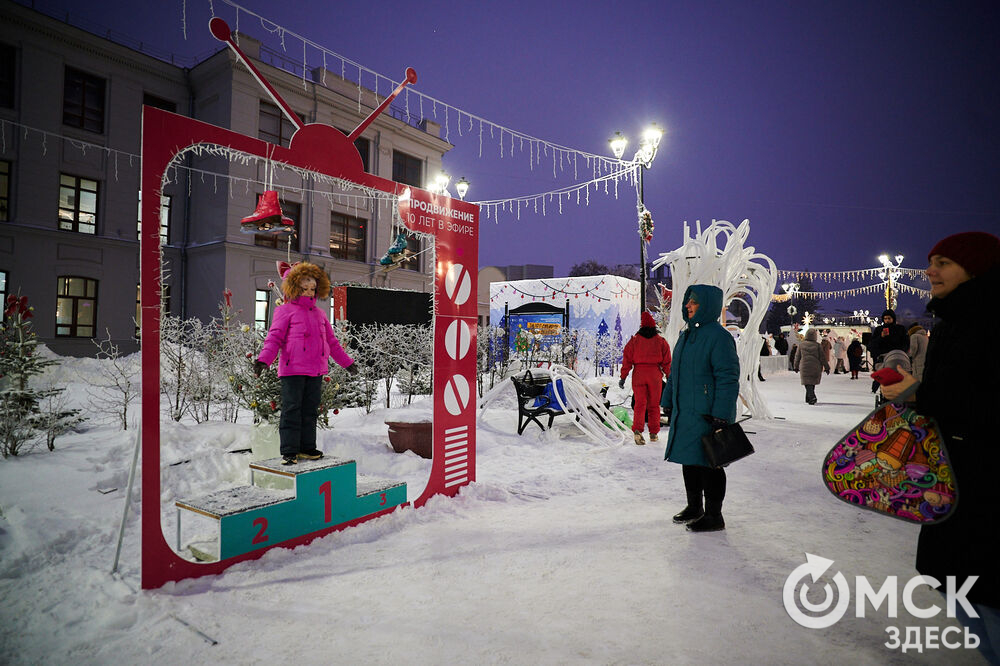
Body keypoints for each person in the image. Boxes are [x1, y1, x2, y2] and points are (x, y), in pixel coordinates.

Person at [881, 231, 1000, 663]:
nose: (930, 270)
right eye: (932, 260)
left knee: (985, 594)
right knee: (959, 589)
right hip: (953, 476)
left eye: (944, 261)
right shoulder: (950, 320)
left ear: (976, 268)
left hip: (987, 485)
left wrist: (922, 394)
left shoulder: (989, 320)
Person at [256, 262, 358, 465]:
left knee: (310, 410)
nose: (309, 293)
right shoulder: (285, 311)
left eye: (312, 288)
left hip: (315, 370)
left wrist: (347, 363)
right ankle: (289, 450)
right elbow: (274, 338)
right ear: (294, 289)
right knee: (292, 409)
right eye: (304, 289)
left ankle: (307, 447)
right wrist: (263, 360)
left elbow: (332, 343)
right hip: (292, 369)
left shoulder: (320, 314)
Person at [660, 285, 740, 532]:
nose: (688, 306)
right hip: (686, 413)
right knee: (690, 460)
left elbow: (728, 378)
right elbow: (675, 374)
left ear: (707, 305)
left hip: (707, 414)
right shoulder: (686, 335)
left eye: (693, 302)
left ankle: (714, 515)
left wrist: (721, 415)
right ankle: (694, 507)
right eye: (688, 301)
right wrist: (668, 401)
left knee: (710, 464)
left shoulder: (718, 337)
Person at [619, 311, 672, 445]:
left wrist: (623, 377)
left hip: (639, 375)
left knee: (640, 404)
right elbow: (667, 362)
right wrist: (669, 376)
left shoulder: (634, 341)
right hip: (655, 375)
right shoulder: (661, 341)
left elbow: (627, 360)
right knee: (654, 405)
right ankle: (653, 433)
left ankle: (638, 431)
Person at [792, 328, 829, 404]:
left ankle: (810, 397)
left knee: (807, 382)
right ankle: (810, 397)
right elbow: (823, 357)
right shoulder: (818, 346)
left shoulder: (801, 345)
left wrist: (795, 366)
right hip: (815, 366)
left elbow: (797, 357)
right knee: (811, 382)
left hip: (804, 366)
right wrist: (827, 367)